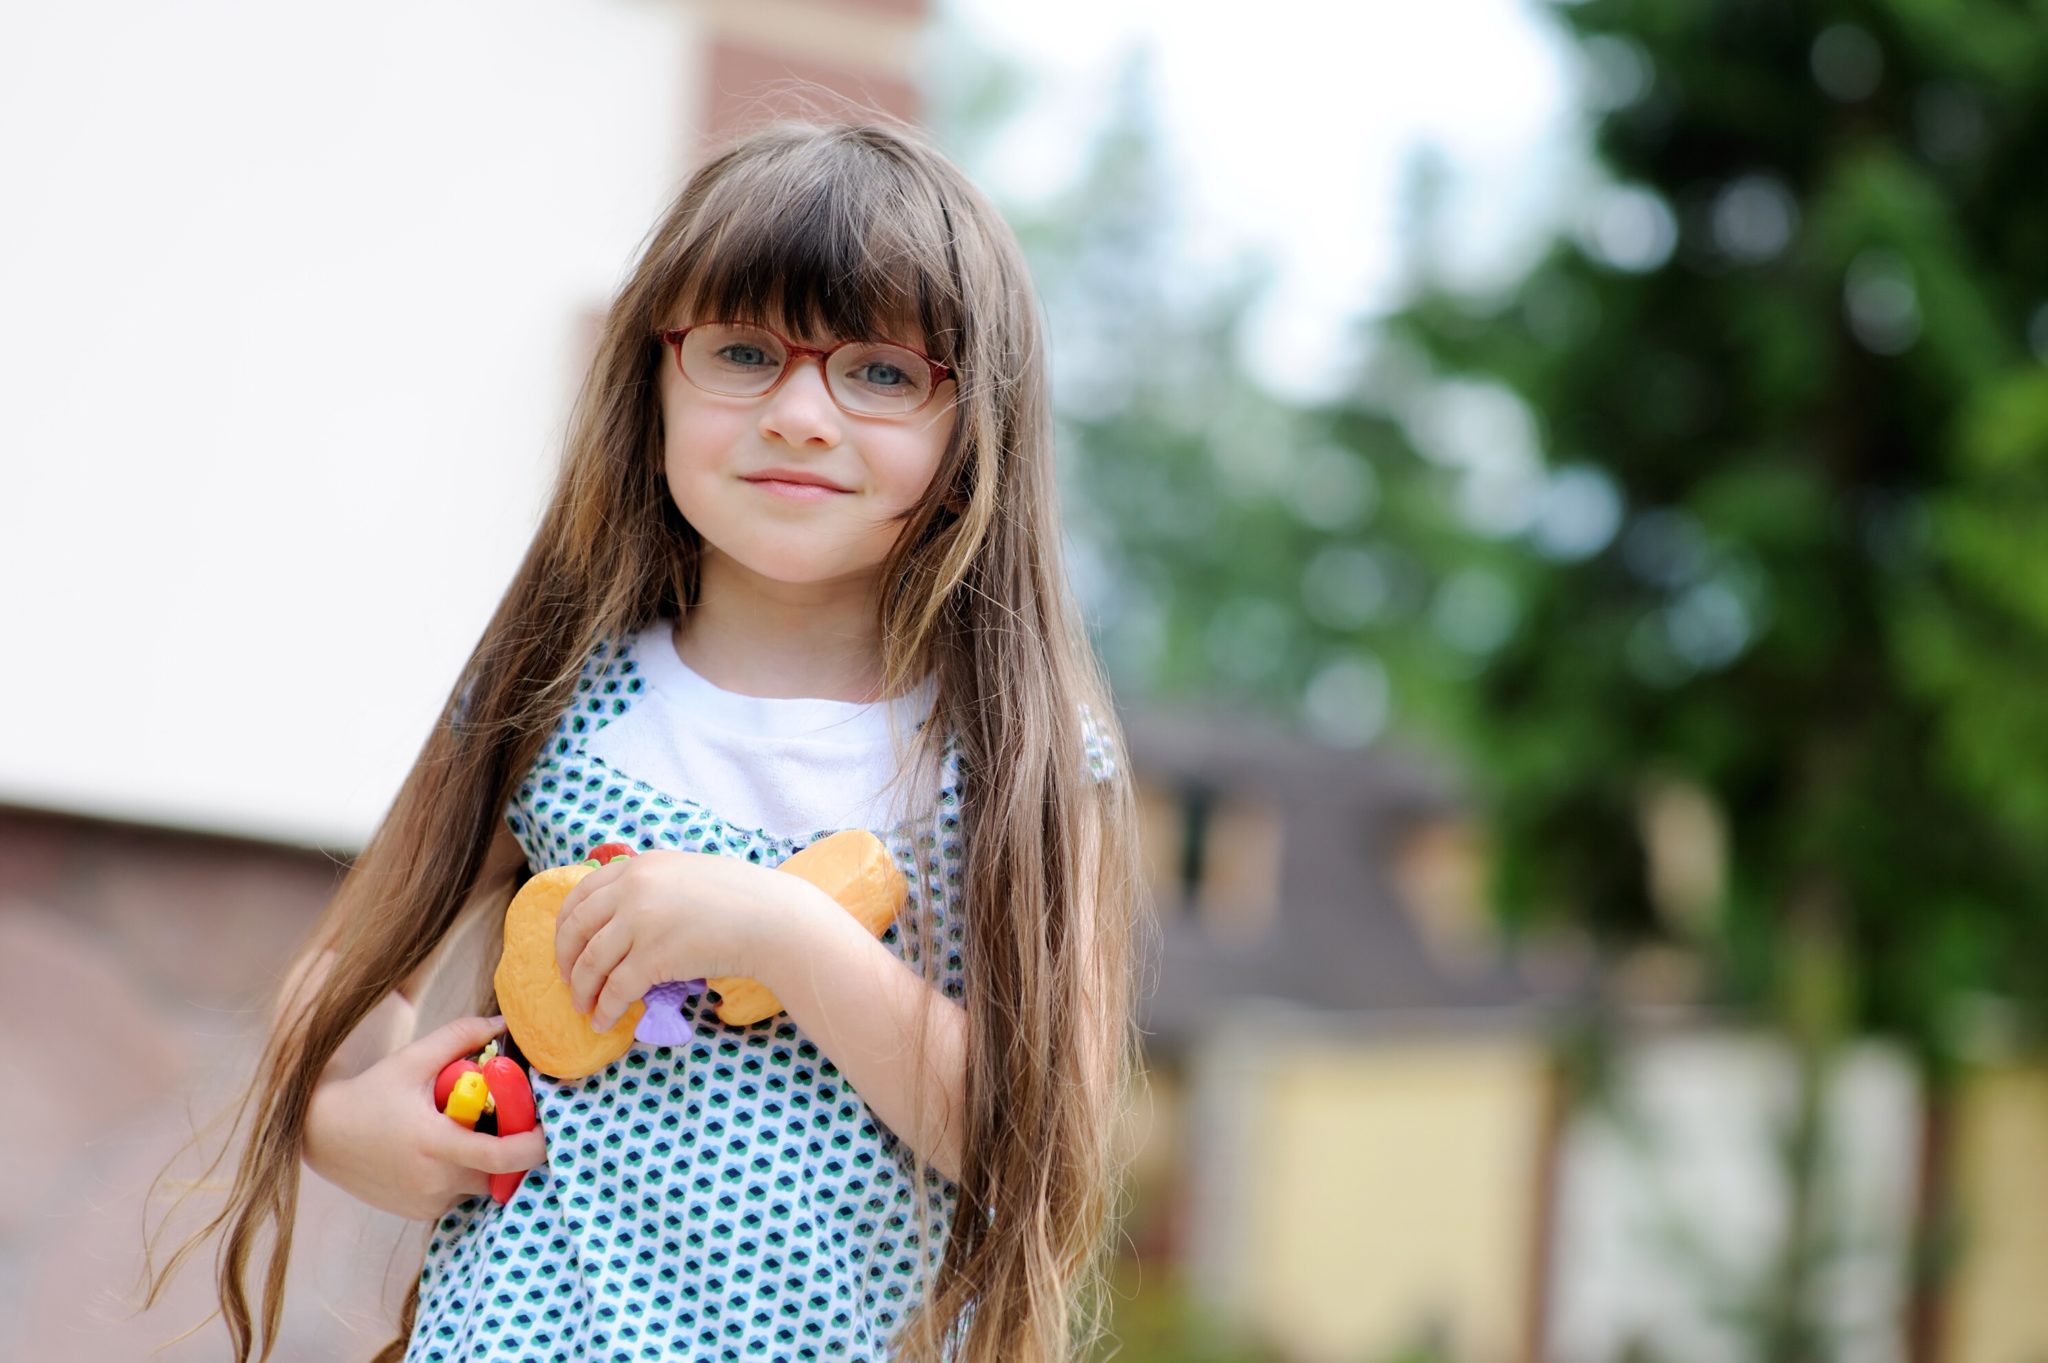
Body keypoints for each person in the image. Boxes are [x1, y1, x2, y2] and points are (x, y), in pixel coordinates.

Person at [140, 117, 1147, 1363]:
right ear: (653, 380)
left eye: (880, 372)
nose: (799, 415)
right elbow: (345, 978)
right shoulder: (549, 693)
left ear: (972, 427)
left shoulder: (1015, 759)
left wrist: (777, 930)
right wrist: (342, 1121)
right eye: (741, 351)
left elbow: (1039, 1137)